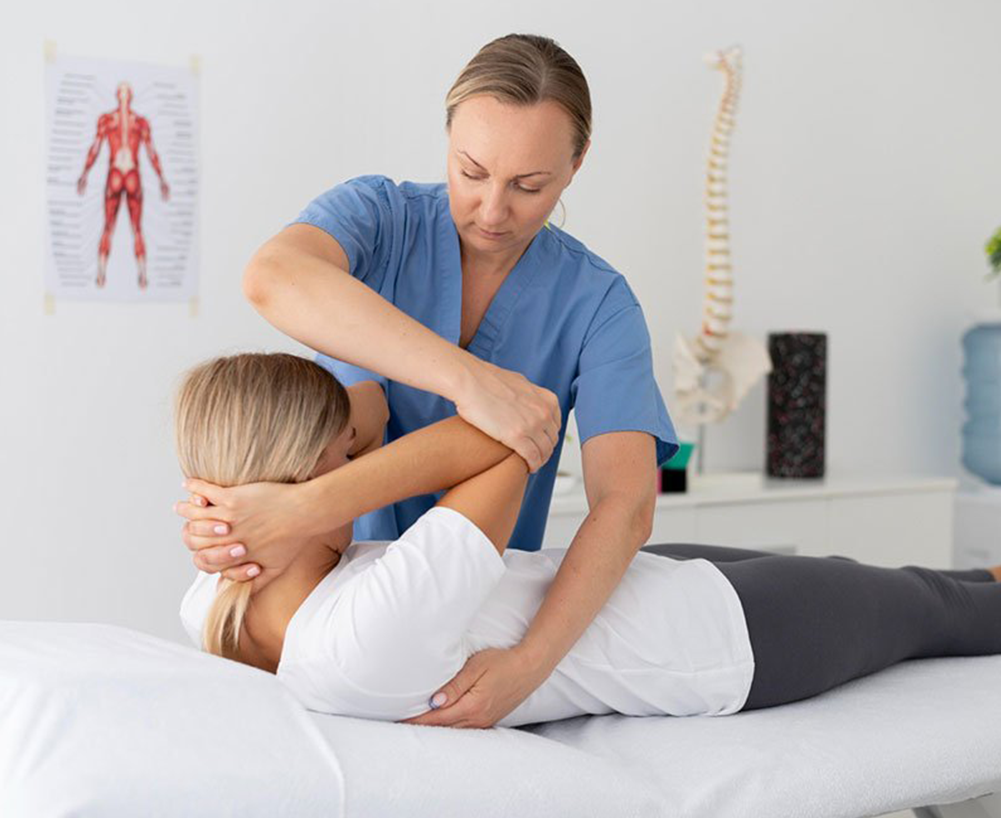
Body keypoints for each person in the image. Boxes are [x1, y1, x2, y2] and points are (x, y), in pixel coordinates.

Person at [175, 33, 681, 728]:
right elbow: (272, 277)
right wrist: (472, 382)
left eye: (528, 186)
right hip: (334, 598)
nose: (492, 210)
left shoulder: (596, 303)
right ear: (447, 139)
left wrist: (528, 667)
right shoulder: (379, 224)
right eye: (470, 171)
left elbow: (625, 506)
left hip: (474, 603)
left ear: (575, 166)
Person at [177, 353, 1001, 728]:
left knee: (912, 580)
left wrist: (297, 497)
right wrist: (315, 498)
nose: (364, 455)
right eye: (344, 459)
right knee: (935, 611)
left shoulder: (214, 599)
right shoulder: (366, 634)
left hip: (620, 583)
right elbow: (515, 431)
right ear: (305, 483)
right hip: (717, 639)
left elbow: (381, 412)